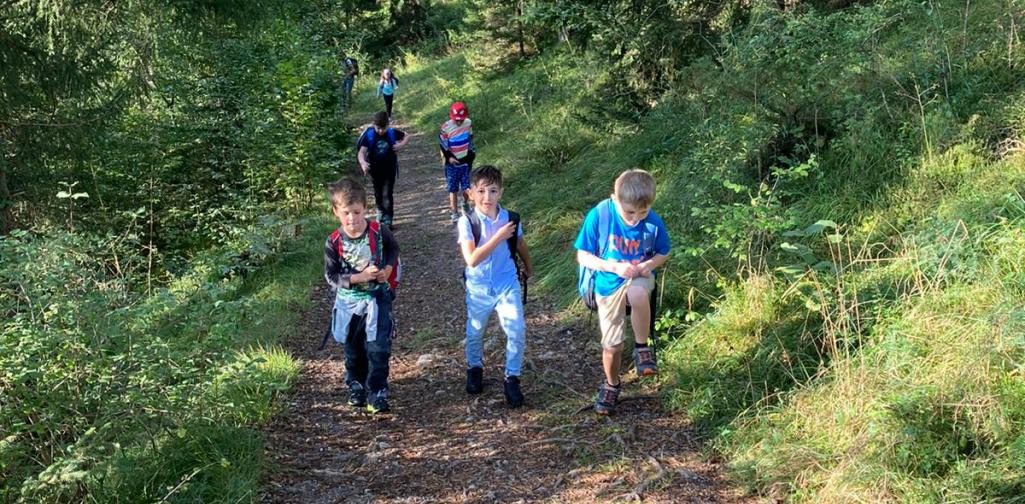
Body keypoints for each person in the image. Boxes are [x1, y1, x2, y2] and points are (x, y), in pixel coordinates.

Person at [573, 169, 671, 415]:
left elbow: (663, 252)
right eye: (629, 212)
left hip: (639, 278)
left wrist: (648, 266)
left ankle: (642, 348)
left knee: (638, 294)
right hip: (607, 283)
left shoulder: (652, 221)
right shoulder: (600, 215)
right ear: (615, 199)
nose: (635, 219)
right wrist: (614, 266)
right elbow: (583, 255)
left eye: (643, 212)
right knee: (612, 346)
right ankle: (612, 383)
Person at [457, 165, 533, 408]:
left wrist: (528, 267)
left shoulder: (510, 218)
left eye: (492, 191)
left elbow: (520, 243)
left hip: (507, 283)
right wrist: (498, 236)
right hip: (479, 286)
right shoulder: (467, 222)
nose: (486, 197)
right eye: (481, 191)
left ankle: (512, 378)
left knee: (517, 329)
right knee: (475, 331)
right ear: (471, 194)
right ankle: (474, 367)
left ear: (501, 192)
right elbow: (472, 259)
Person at [325, 177, 400, 414]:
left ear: (365, 209)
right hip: (348, 304)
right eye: (346, 213)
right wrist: (361, 276)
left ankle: (378, 391)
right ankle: (355, 385)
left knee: (378, 347)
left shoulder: (378, 231)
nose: (352, 219)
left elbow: (393, 249)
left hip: (377, 299)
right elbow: (332, 276)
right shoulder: (333, 242)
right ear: (336, 211)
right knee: (353, 347)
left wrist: (387, 270)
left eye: (357, 212)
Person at [357, 111, 409, 229]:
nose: (380, 131)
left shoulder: (391, 133)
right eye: (378, 128)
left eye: (383, 128)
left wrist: (401, 145)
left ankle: (388, 219)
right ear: (374, 125)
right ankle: (380, 211)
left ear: (388, 125)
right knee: (378, 192)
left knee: (387, 193)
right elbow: (361, 152)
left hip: (390, 169)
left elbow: (407, 135)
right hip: (374, 170)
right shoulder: (369, 135)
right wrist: (363, 162)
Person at [439, 101, 476, 224]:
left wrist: (471, 153)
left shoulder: (468, 123)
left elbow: (470, 138)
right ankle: (454, 212)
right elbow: (443, 144)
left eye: (461, 119)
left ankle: (465, 204)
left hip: (465, 161)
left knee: (467, 186)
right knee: (453, 188)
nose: (459, 122)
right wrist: (449, 157)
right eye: (456, 120)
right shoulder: (446, 127)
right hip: (452, 163)